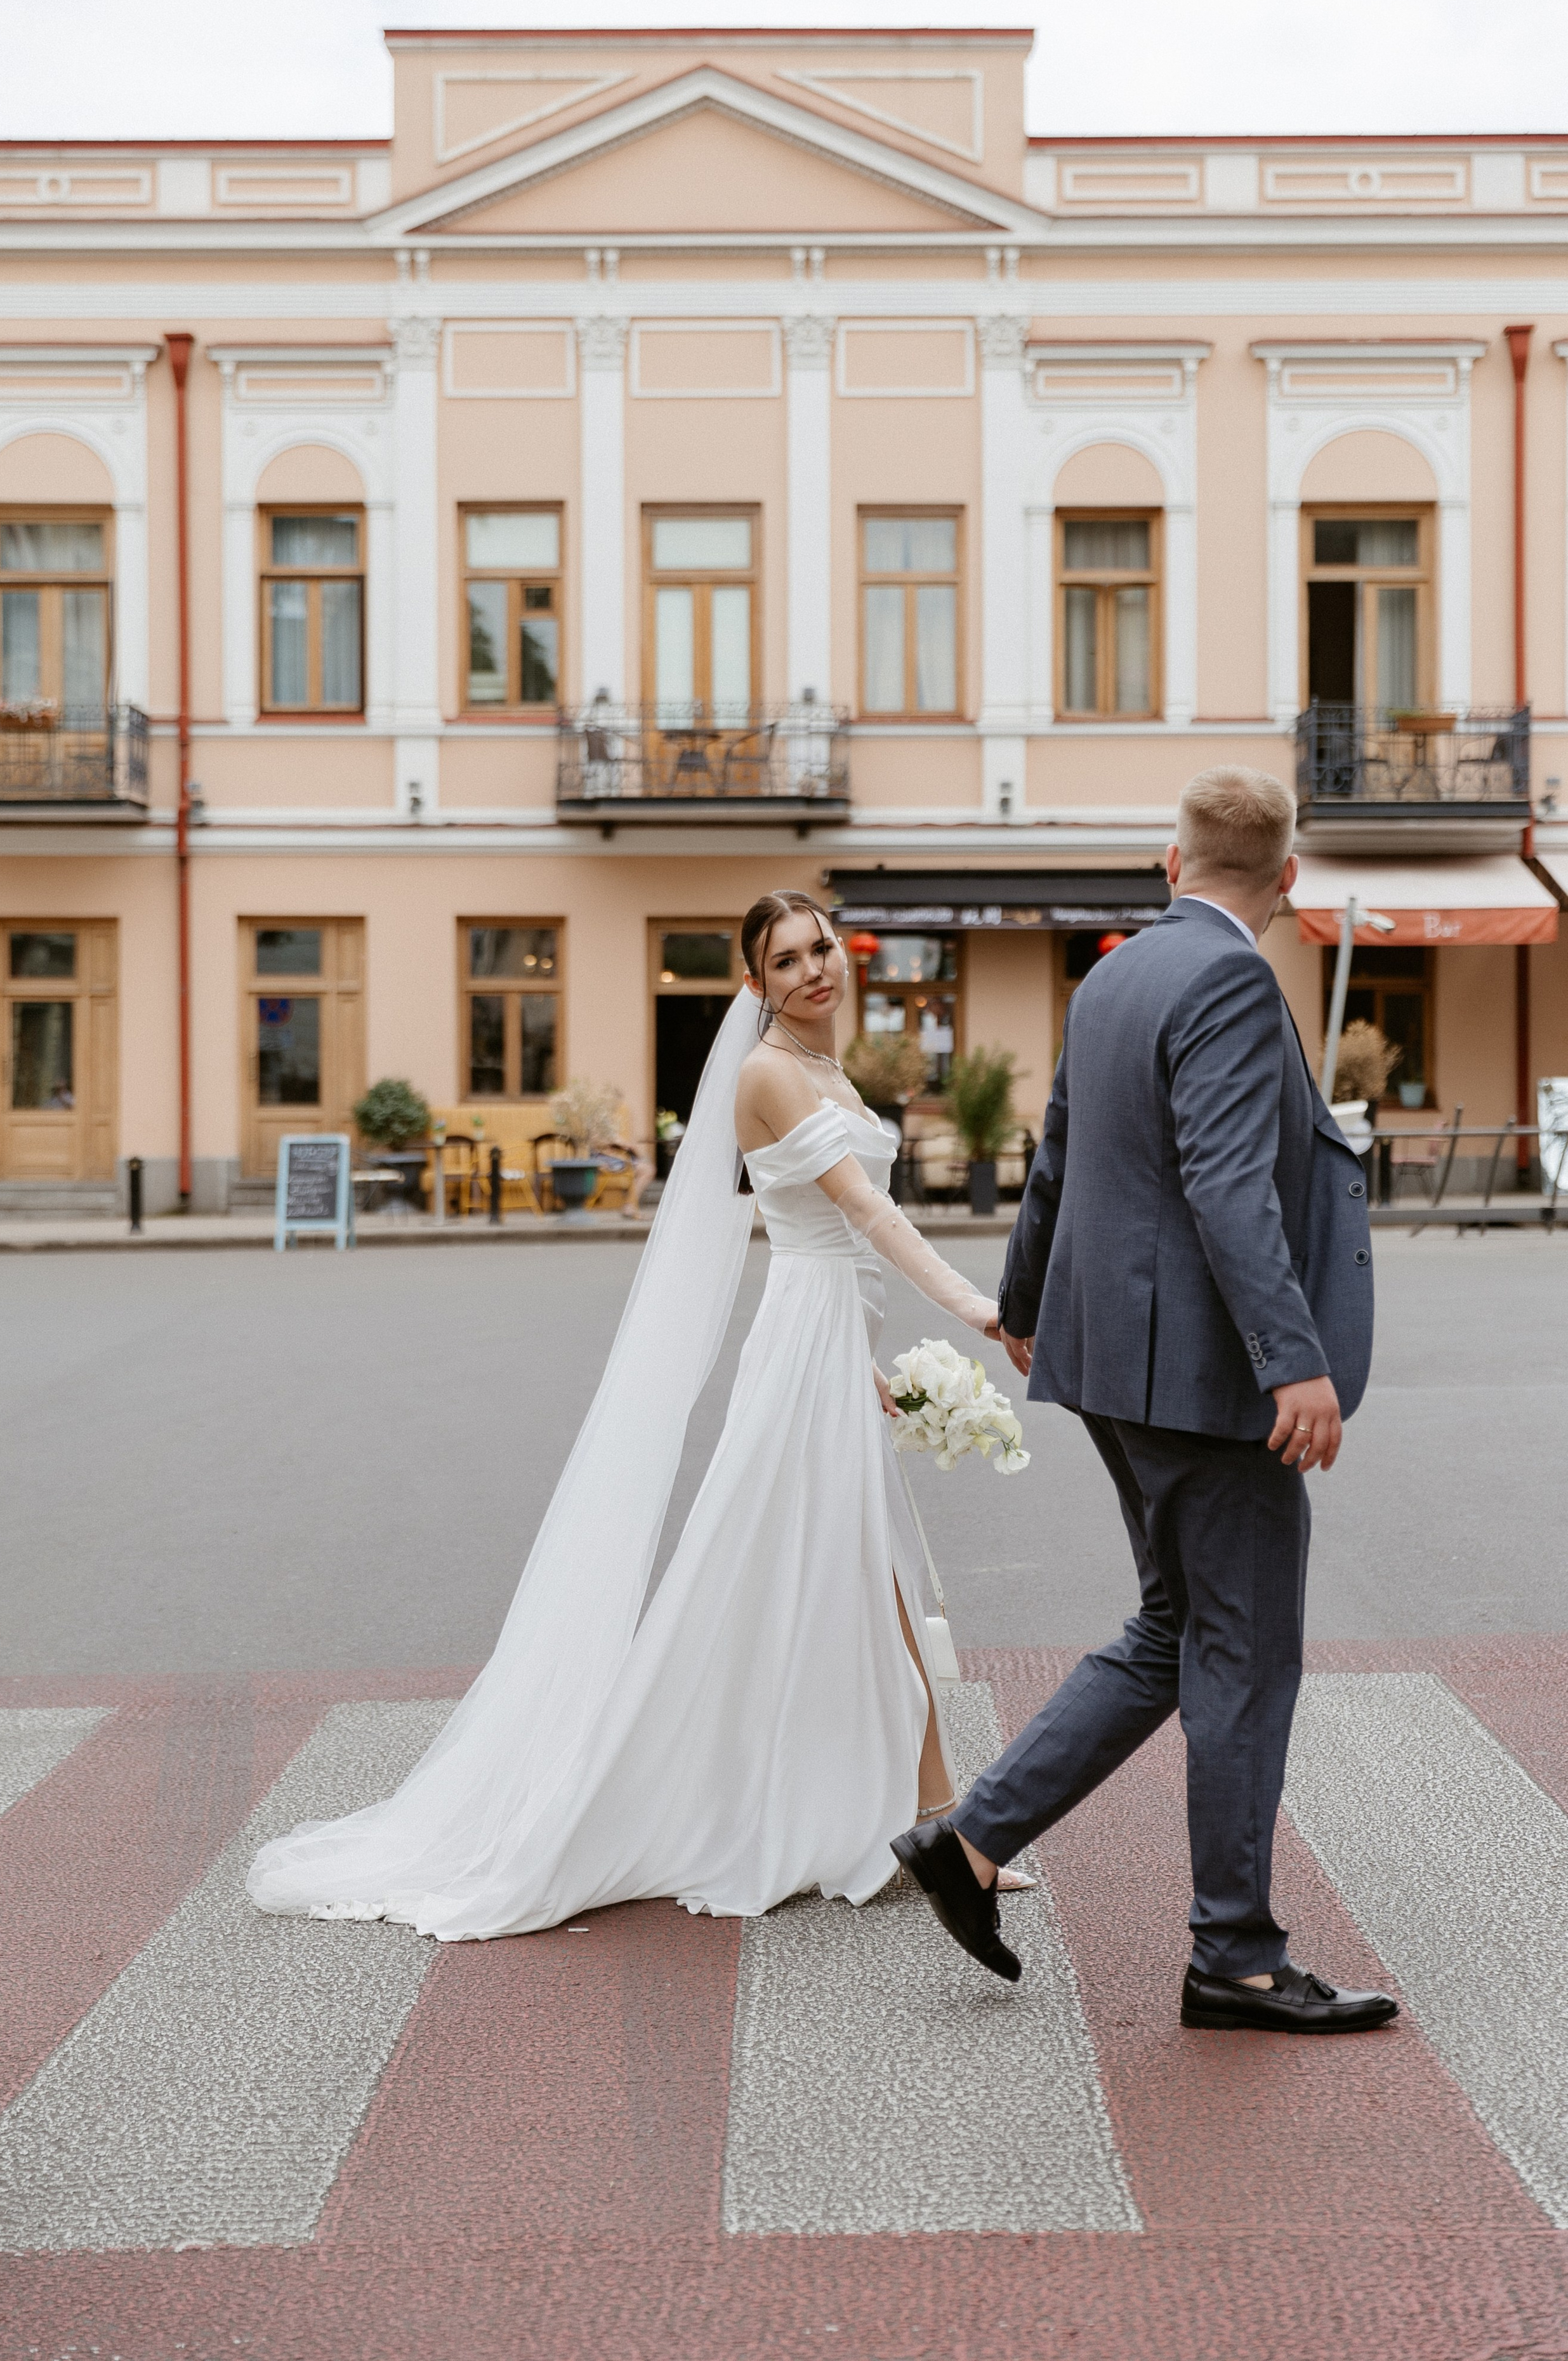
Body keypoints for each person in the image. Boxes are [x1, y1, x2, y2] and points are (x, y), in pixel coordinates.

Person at [247, 890, 1021, 1938]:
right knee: (820, 1577)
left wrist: (868, 1358)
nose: (811, 971)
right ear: (755, 985)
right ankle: (900, 1824)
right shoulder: (767, 1074)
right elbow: (864, 1215)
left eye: (821, 949)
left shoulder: (829, 1070)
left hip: (830, 1343)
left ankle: (938, 1825)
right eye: (785, 961)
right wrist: (976, 1307)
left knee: (871, 1582)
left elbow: (837, 1251)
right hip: (803, 1346)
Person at [893, 767, 1399, 2036]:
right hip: (1205, 1381)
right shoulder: (1231, 980)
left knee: (1177, 1627)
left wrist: (1020, 1309)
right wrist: (1292, 1359)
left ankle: (968, 1842)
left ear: (1167, 863)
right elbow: (1228, 1186)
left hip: (1111, 1366)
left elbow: (1051, 1156)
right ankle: (1230, 1957)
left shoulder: (1113, 973)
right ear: (1285, 882)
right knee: (1241, 1652)